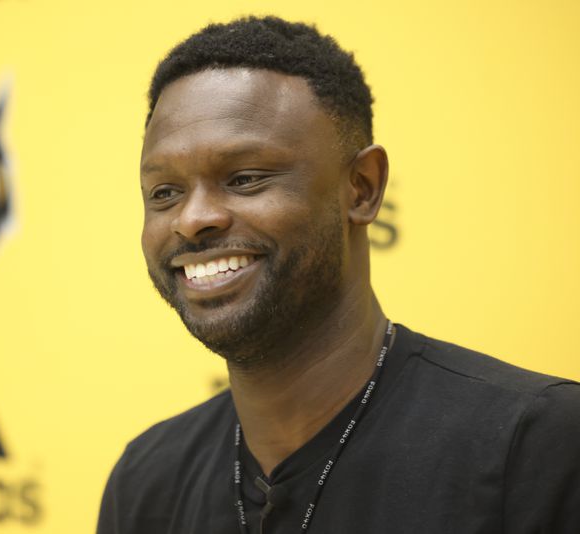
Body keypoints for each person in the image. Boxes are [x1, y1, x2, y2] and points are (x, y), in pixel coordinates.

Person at [97, 16, 580, 534]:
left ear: (362, 189)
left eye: (244, 178)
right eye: (164, 192)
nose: (192, 220)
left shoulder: (536, 446)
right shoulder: (148, 478)